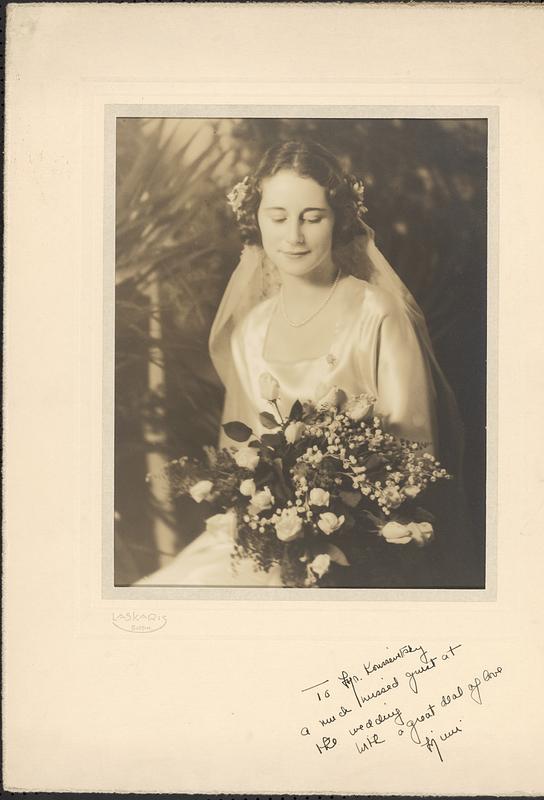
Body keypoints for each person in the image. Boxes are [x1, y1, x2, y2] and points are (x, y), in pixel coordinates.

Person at [136, 140, 465, 588]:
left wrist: (339, 517)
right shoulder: (251, 330)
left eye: (312, 218)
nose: (293, 236)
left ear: (339, 221)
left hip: (356, 547)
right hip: (260, 540)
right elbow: (238, 461)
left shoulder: (376, 313)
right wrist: (267, 519)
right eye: (278, 217)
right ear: (256, 220)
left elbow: (414, 454)